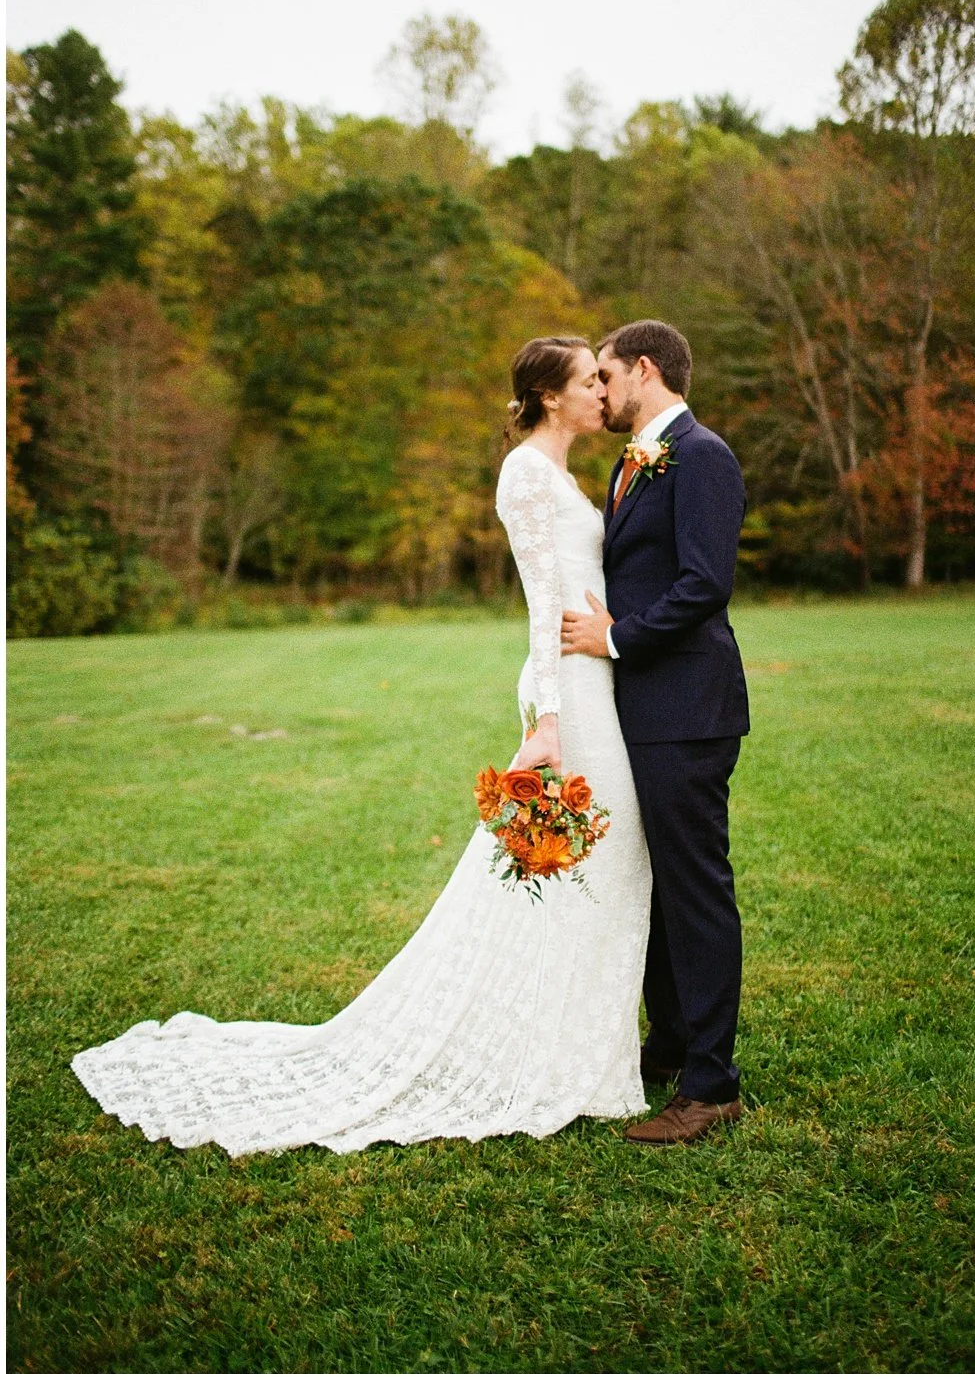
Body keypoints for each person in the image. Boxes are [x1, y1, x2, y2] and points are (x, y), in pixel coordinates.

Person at [71, 336, 655, 1153]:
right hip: (568, 692)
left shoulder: (562, 473)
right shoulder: (524, 474)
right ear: (550, 396)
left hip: (593, 678)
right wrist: (548, 716)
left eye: (604, 378)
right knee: (572, 859)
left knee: (594, 862)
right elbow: (538, 602)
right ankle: (555, 1055)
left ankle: (582, 1049)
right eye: (590, 380)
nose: (604, 390)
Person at [561, 319, 750, 1147]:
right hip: (644, 710)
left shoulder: (701, 455)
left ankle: (712, 1086)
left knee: (696, 891)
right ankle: (670, 1046)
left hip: (688, 710)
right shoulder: (630, 463)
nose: (599, 391)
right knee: (662, 892)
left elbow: (705, 585)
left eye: (606, 376)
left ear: (645, 369)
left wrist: (614, 637)